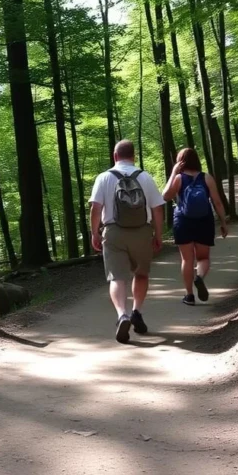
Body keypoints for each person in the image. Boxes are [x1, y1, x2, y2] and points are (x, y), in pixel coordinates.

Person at [89, 140, 166, 344]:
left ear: (115, 156)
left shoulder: (104, 177)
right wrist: (158, 235)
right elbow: (158, 209)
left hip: (113, 232)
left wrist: (95, 233)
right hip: (142, 232)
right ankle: (137, 312)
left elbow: (95, 208)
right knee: (141, 274)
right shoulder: (145, 177)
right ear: (134, 156)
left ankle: (122, 315)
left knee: (117, 278)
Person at [161, 148, 228, 306]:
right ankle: (199, 277)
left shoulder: (178, 178)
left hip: (183, 221)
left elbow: (165, 196)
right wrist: (223, 222)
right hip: (204, 220)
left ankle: (189, 295)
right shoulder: (207, 178)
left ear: (180, 161)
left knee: (187, 259)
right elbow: (217, 202)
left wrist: (173, 173)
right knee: (203, 258)